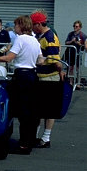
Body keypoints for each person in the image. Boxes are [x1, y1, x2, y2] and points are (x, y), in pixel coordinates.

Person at [0, 15, 41, 155]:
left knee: (19, 109)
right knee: (30, 110)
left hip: (22, 75)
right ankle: (29, 141)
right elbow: (41, 60)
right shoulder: (35, 40)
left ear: (21, 26)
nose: (14, 29)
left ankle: (23, 144)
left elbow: (9, 57)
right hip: (32, 75)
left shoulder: (20, 39)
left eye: (16, 26)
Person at [31, 11, 61, 149]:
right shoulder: (39, 35)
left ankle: (46, 137)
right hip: (41, 77)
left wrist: (44, 61)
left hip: (49, 77)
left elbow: (57, 61)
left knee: (49, 109)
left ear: (38, 24)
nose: (31, 27)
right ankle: (35, 136)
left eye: (33, 24)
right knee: (39, 108)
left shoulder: (50, 37)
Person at [64, 20, 85, 87]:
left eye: (76, 26)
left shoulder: (83, 35)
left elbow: (84, 46)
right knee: (71, 67)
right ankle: (71, 81)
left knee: (78, 68)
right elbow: (66, 42)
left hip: (78, 53)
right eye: (74, 26)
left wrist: (79, 44)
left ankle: (78, 82)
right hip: (71, 53)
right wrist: (71, 41)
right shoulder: (70, 34)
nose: (75, 27)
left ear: (80, 27)